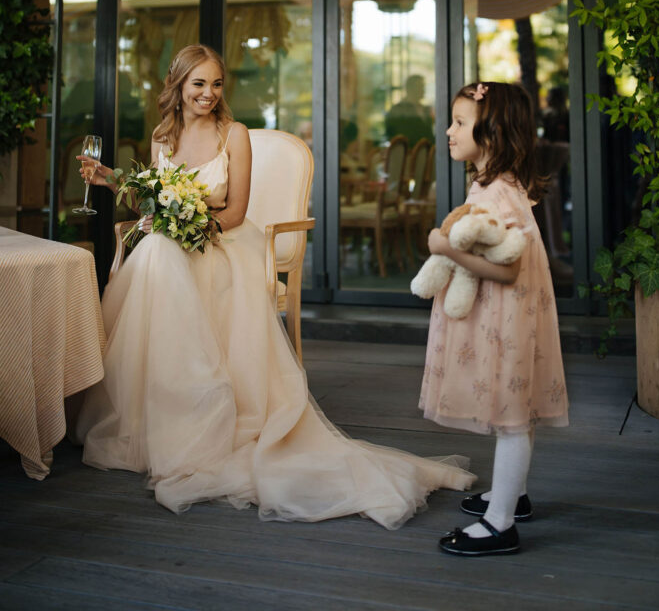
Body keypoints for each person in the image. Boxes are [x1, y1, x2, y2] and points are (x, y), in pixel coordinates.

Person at [75, 44, 474, 525]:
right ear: (178, 86)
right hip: (176, 243)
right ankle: (157, 420)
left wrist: (184, 231)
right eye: (198, 83)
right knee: (157, 251)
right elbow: (152, 205)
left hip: (222, 244)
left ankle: (202, 421)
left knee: (159, 252)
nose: (208, 93)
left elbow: (237, 210)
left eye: (216, 84)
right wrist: (112, 181)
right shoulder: (163, 137)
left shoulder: (234, 135)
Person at [419, 81, 568, 556]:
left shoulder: (498, 192)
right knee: (512, 406)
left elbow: (505, 270)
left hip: (506, 314)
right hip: (506, 315)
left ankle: (501, 523)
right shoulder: (491, 183)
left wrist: (444, 250)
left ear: (494, 133)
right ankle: (513, 495)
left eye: (461, 122)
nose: (449, 130)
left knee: (510, 414)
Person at [385, 74, 435, 148]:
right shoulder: (398, 110)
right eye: (420, 86)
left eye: (423, 86)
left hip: (427, 155)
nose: (423, 90)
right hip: (408, 155)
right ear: (410, 89)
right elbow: (394, 136)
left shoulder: (426, 109)